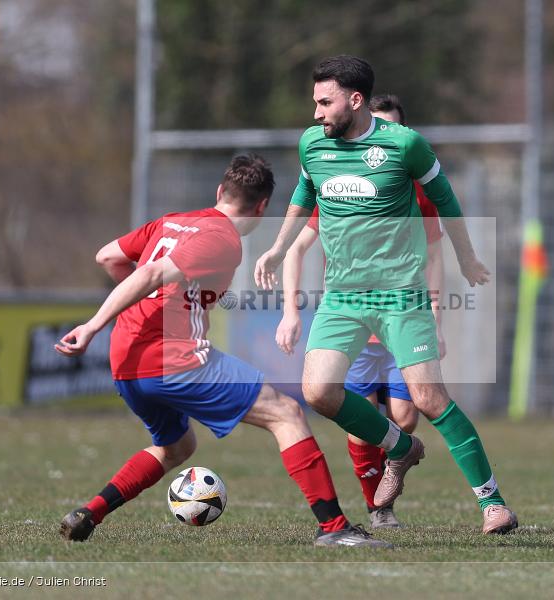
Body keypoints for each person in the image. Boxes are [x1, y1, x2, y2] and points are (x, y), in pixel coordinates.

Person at [55, 154, 390, 548]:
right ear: (262, 206)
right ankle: (334, 529)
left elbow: (109, 256)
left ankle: (89, 513)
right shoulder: (221, 238)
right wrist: (94, 325)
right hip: (173, 358)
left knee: (176, 447)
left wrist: (136, 311)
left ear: (219, 191)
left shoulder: (170, 220)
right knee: (286, 414)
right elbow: (148, 274)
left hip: (126, 362)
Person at [254, 56, 518, 535]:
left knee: (429, 398)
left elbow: (446, 200)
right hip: (342, 298)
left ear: (355, 101)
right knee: (318, 392)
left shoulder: (404, 145)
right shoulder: (313, 144)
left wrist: (467, 257)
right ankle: (401, 447)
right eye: (314, 102)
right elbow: (304, 194)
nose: (316, 113)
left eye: (324, 102)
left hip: (400, 294)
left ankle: (493, 503)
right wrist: (276, 248)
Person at [275, 94, 446, 529]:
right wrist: (290, 312)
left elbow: (434, 258)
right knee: (358, 424)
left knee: (408, 415)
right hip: (357, 326)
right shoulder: (341, 190)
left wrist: (437, 318)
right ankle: (379, 508)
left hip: (403, 320)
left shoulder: (415, 193)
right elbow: (297, 247)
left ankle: (398, 461)